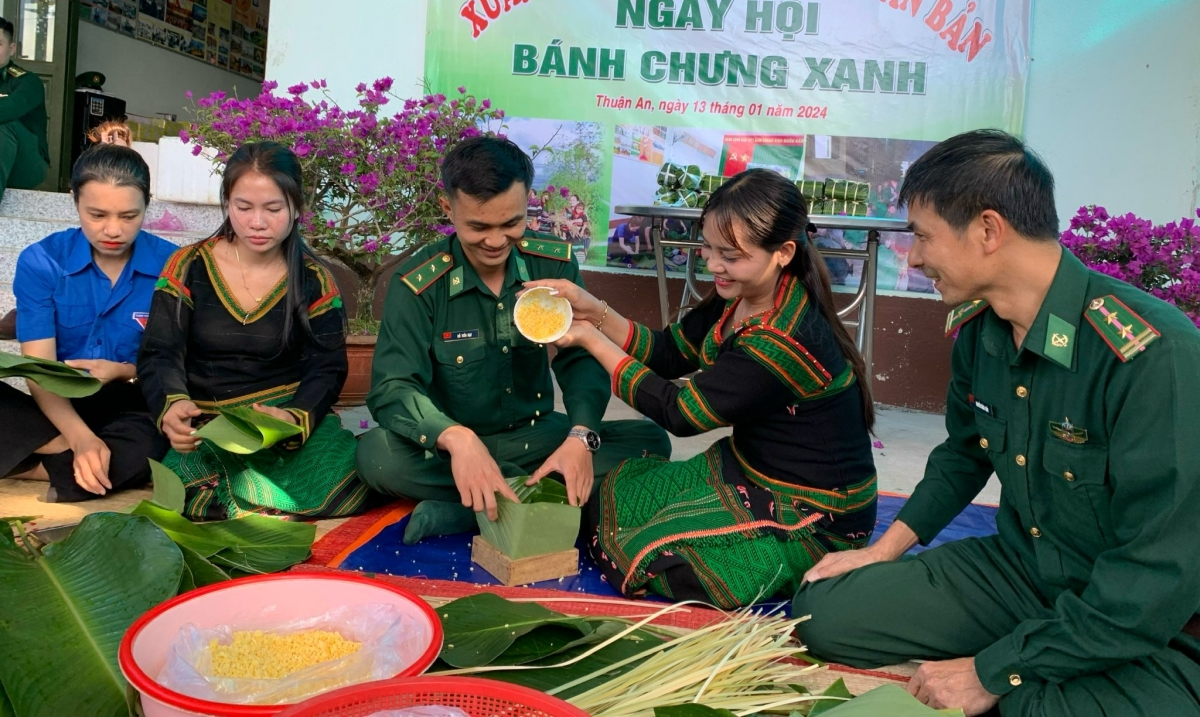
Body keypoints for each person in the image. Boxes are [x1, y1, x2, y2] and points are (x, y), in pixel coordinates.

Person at [794, 130, 1200, 717]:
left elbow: (1155, 577)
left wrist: (994, 670)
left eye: (923, 236)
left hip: (1138, 610)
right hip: (1026, 573)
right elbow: (963, 454)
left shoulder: (1152, 356)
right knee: (822, 612)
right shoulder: (983, 333)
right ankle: (1051, 658)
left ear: (987, 230)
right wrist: (884, 550)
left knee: (1026, 705)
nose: (913, 257)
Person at [536, 169, 878, 607]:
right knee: (618, 498)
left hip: (814, 513)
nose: (713, 265)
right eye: (709, 249)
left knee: (670, 567)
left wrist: (588, 338)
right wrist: (593, 309)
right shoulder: (740, 292)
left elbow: (681, 414)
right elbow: (667, 353)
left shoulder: (782, 338)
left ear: (784, 252)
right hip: (748, 471)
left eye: (730, 255)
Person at [357, 135, 670, 544]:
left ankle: (468, 510)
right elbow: (391, 387)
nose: (495, 241)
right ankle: (531, 495)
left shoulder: (551, 263)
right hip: (451, 448)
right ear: (447, 208)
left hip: (535, 435)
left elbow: (579, 358)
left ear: (527, 203)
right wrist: (457, 438)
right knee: (377, 457)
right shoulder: (419, 283)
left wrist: (580, 437)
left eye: (511, 223)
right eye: (478, 226)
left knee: (650, 441)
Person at [138, 141, 368, 520]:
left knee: (344, 476)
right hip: (210, 427)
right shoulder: (188, 265)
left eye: (273, 208)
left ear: (296, 208)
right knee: (193, 492)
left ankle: (263, 505)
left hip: (281, 428)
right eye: (243, 207)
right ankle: (261, 509)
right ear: (227, 202)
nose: (257, 222)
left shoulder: (313, 279)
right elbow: (160, 350)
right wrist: (173, 404)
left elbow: (326, 366)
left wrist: (295, 418)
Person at [0, 145, 173, 501]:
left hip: (132, 403)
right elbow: (40, 369)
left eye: (129, 216)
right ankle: (75, 459)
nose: (113, 230)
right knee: (111, 459)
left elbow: (173, 365)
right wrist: (79, 438)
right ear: (74, 199)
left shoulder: (172, 265)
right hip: (55, 402)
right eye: (97, 214)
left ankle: (36, 464)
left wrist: (124, 371)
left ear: (147, 205)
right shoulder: (43, 261)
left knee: (146, 444)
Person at [0, 16, 50, 202]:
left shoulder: (29, 82)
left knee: (4, 124)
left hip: (28, 163)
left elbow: (10, 108)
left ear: (11, 49)